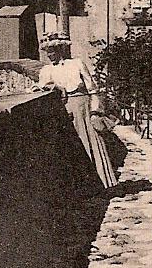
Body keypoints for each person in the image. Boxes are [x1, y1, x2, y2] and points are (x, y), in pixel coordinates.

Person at [38, 34, 118, 189]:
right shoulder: (46, 70)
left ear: (61, 50)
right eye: (47, 51)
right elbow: (40, 87)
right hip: (63, 110)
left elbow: (92, 90)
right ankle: (78, 187)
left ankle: (98, 185)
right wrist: (55, 87)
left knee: (88, 142)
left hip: (83, 109)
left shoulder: (77, 64)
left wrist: (95, 112)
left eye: (52, 51)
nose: (49, 55)